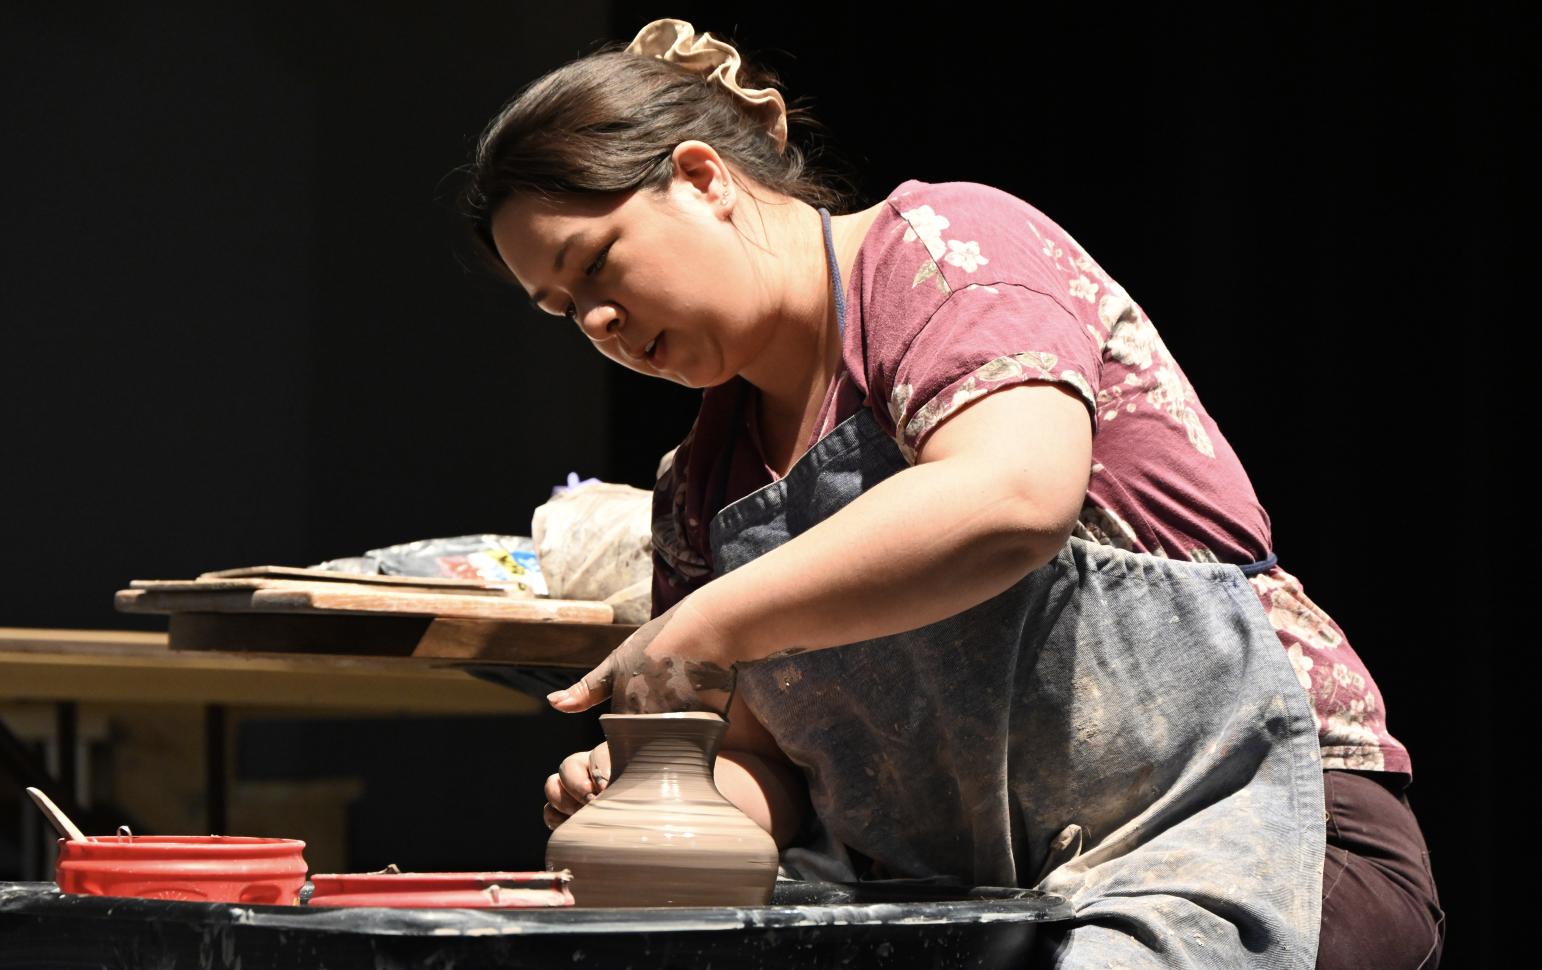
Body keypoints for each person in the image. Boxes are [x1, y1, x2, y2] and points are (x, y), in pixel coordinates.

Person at [460, 18, 1444, 969]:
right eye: (561, 308)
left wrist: (702, 625)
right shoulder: (697, 491)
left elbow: (1009, 498)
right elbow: (766, 771)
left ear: (702, 179)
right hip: (993, 895)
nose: (596, 319)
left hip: (1250, 824)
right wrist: (662, 792)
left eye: (595, 263)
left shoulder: (939, 250)